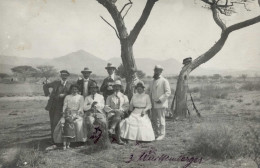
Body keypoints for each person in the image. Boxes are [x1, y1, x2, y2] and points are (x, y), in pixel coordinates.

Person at [43, 70, 71, 148]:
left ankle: (61, 140)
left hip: (64, 106)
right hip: (54, 106)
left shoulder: (70, 85)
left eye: (66, 75)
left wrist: (65, 95)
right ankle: (53, 140)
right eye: (62, 75)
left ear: (68, 76)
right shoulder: (55, 83)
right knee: (54, 123)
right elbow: (45, 86)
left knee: (63, 123)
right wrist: (48, 94)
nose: (64, 76)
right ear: (60, 75)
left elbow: (72, 93)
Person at [149, 65, 171, 141]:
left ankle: (162, 134)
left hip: (161, 103)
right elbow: (150, 92)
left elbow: (168, 92)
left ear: (161, 71)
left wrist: (160, 99)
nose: (156, 72)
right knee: (154, 119)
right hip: (153, 104)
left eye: (158, 70)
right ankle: (157, 133)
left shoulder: (164, 81)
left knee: (161, 119)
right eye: (155, 70)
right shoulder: (152, 81)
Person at [104, 80, 129, 145]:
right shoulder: (109, 97)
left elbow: (126, 106)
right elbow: (106, 106)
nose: (117, 88)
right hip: (112, 113)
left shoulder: (124, 96)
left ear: (120, 88)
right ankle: (118, 139)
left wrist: (120, 110)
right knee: (117, 118)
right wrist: (113, 110)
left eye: (118, 86)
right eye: (115, 86)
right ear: (113, 87)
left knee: (118, 114)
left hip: (122, 113)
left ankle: (112, 129)